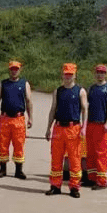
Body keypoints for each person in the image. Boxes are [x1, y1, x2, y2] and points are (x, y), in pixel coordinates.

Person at [44, 63, 87, 197]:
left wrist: (84, 127)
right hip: (58, 128)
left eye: (70, 74)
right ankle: (55, 185)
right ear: (62, 75)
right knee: (56, 159)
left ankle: (74, 187)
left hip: (73, 128)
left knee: (74, 159)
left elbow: (85, 109)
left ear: (75, 75)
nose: (68, 77)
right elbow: (53, 109)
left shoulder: (80, 91)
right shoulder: (58, 91)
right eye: (66, 74)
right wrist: (48, 128)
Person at [0, 60, 33, 179]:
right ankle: (2, 169)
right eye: (12, 69)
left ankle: (19, 170)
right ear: (9, 70)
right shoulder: (3, 84)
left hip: (19, 119)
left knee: (19, 144)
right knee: (3, 144)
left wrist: (30, 118)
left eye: (16, 69)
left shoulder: (24, 84)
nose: (14, 71)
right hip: (5, 118)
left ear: (20, 70)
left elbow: (28, 101)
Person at [84, 64, 107, 189]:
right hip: (90, 123)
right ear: (95, 73)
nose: (100, 74)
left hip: (101, 124)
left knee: (101, 152)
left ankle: (101, 180)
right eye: (98, 72)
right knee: (90, 151)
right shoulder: (91, 88)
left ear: (105, 74)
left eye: (102, 72)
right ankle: (91, 178)